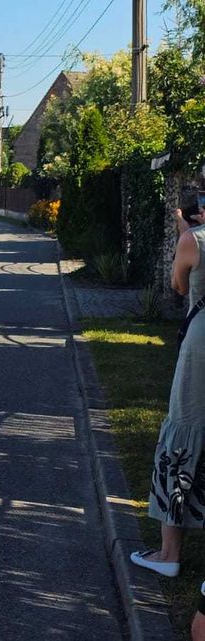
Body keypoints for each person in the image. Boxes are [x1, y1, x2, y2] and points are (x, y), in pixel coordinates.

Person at [129, 204, 205, 579]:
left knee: (185, 430)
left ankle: (168, 553)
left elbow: (179, 285)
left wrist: (183, 233)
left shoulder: (194, 240)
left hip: (202, 345)